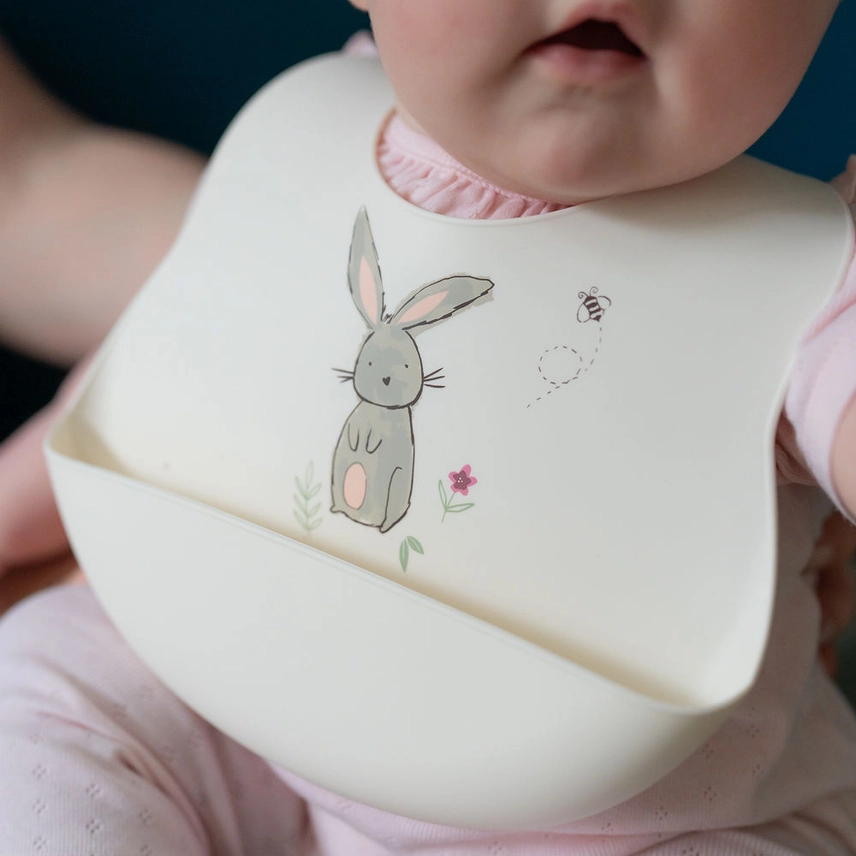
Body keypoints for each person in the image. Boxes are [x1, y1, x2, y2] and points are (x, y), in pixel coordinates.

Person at [1, 0, 856, 852]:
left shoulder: (811, 285)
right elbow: (171, 361)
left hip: (631, 821)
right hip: (233, 715)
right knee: (43, 679)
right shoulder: (305, 132)